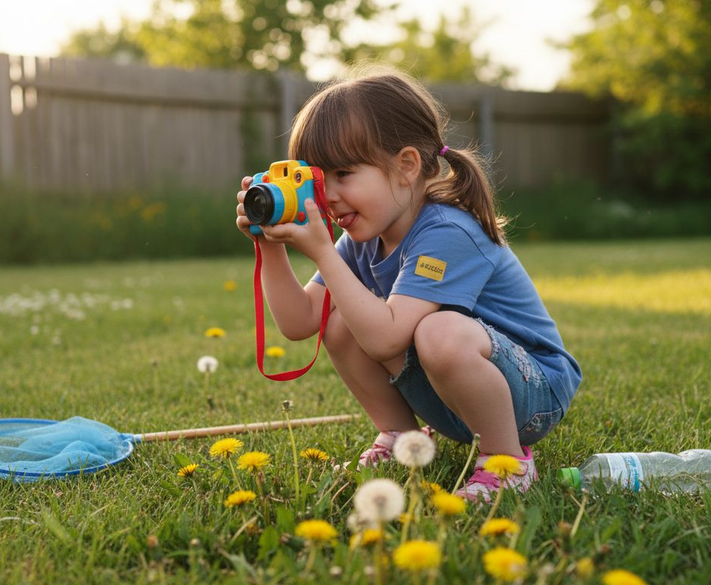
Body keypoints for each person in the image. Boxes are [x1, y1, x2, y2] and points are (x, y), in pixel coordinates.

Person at [234, 68, 581, 503]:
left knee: (439, 330)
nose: (329, 197)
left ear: (406, 166)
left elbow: (386, 339)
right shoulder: (363, 239)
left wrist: (323, 253)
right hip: (453, 400)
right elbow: (301, 321)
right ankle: (400, 437)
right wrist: (269, 247)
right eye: (320, 180)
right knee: (339, 322)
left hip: (531, 397)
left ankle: (506, 463)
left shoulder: (448, 231)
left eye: (343, 173)